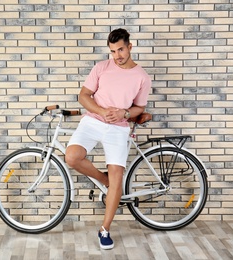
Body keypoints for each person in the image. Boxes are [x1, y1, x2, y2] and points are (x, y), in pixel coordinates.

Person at [65, 28, 152, 250]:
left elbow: (139, 107)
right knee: (72, 157)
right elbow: (83, 96)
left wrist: (124, 113)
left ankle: (105, 229)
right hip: (93, 121)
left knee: (117, 176)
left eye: (120, 50)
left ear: (130, 47)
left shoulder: (142, 76)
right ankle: (103, 180)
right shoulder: (101, 68)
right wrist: (102, 112)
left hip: (118, 127)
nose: (117, 56)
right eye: (113, 51)